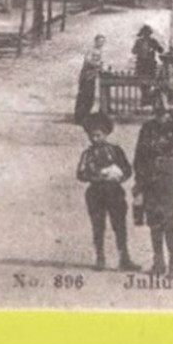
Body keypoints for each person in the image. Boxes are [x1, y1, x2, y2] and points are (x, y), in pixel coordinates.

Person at [132, 86, 173, 278]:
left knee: (168, 220)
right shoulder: (147, 127)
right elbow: (138, 156)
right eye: (156, 100)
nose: (159, 104)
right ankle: (158, 262)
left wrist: (169, 111)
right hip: (149, 175)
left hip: (167, 176)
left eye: (163, 100)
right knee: (153, 220)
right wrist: (138, 182)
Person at [76, 113, 140, 271]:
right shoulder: (88, 154)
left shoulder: (115, 151)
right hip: (95, 193)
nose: (94, 139)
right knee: (98, 226)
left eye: (98, 135)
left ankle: (124, 258)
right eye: (91, 136)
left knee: (119, 225)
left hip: (114, 192)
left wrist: (118, 176)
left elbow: (127, 169)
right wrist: (97, 175)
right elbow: (80, 174)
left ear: (106, 134)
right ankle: (100, 257)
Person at [72, 33, 107, 125]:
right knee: (84, 96)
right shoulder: (91, 50)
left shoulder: (100, 51)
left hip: (92, 76)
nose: (101, 44)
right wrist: (97, 65)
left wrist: (102, 69)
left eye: (103, 42)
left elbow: (101, 64)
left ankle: (85, 116)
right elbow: (87, 60)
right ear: (95, 41)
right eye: (99, 41)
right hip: (86, 76)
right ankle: (79, 117)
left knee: (90, 97)